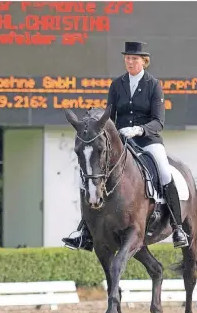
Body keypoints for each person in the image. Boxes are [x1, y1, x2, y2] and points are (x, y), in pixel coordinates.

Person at [62, 41, 189, 251]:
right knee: (90, 174)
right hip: (121, 142)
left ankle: (177, 228)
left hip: (147, 141)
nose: (130, 62)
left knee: (165, 173)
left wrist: (139, 129)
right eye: (127, 58)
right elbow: (108, 117)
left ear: (144, 61)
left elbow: (159, 121)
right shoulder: (117, 84)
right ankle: (85, 231)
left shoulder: (153, 85)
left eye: (134, 59)